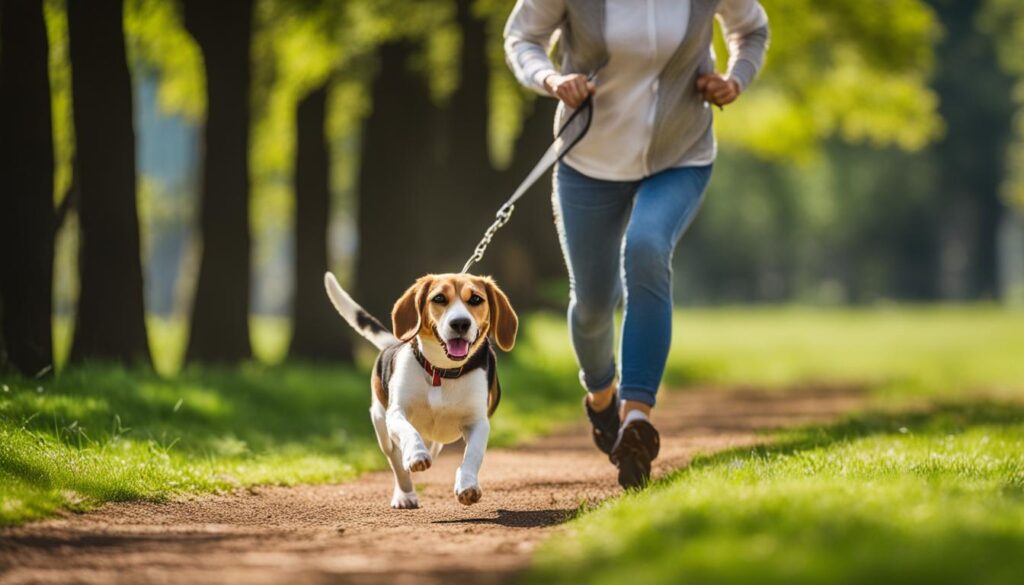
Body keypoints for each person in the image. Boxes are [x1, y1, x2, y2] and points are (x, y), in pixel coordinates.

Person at [503, 0, 769, 488]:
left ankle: (636, 418)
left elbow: (750, 30)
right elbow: (522, 38)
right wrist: (551, 80)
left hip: (679, 154)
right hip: (588, 160)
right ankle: (602, 398)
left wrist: (735, 79)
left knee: (645, 248)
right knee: (592, 305)